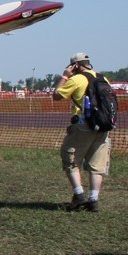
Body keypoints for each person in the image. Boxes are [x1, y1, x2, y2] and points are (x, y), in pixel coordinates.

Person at [52, 52, 110, 212]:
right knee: (97, 166)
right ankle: (94, 199)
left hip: (83, 125)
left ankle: (79, 195)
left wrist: (64, 77)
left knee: (70, 159)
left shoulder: (77, 79)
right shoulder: (102, 78)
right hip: (103, 126)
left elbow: (56, 95)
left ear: (74, 65)